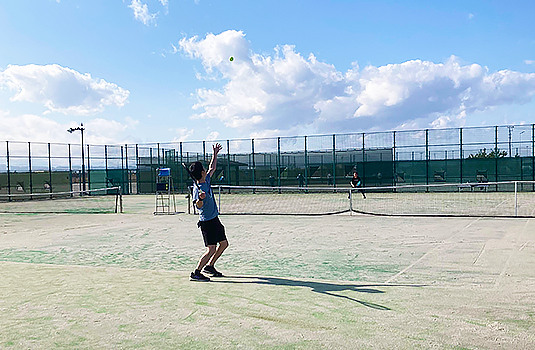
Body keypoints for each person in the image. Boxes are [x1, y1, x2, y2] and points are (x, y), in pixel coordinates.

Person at [189, 143, 228, 282]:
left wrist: (215, 153)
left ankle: (210, 266)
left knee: (224, 244)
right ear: (201, 173)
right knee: (211, 249)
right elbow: (198, 206)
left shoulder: (207, 180)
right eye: (204, 169)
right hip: (207, 222)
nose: (206, 169)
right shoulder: (197, 189)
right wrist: (200, 198)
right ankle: (196, 272)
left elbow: (213, 167)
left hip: (215, 219)